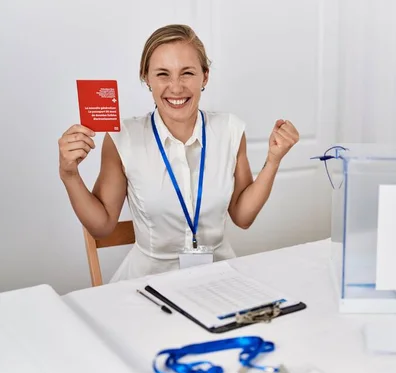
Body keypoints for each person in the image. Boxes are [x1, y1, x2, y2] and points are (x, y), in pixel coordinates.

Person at [58, 24, 300, 282]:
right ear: (146, 78)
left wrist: (273, 160)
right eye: (163, 74)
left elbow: (242, 217)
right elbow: (102, 226)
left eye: (187, 73)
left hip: (218, 277)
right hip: (148, 284)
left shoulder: (230, 129)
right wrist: (69, 174)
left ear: (204, 77)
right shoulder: (123, 137)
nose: (175, 87)